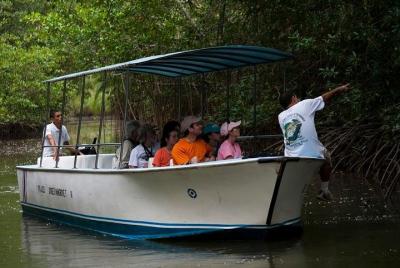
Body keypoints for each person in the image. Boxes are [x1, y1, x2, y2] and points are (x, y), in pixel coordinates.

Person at [278, 83, 351, 201]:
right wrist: (339, 89)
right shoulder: (304, 104)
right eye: (297, 97)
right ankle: (324, 190)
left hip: (290, 157)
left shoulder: (280, 116)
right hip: (310, 153)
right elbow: (324, 97)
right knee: (327, 159)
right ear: (294, 98)